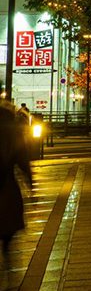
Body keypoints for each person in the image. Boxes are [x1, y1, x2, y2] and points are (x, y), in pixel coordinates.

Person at [0, 101, 33, 265]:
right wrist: (28, 177)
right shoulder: (13, 130)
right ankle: (6, 243)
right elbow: (21, 156)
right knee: (9, 214)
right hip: (6, 180)